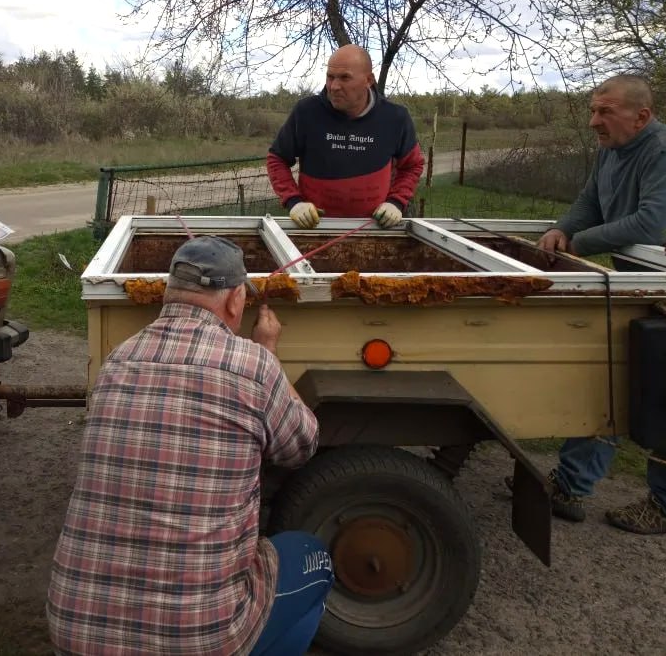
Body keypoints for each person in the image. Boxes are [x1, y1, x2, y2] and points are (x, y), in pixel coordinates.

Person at [47, 235, 334, 655]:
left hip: (75, 631)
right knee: (312, 555)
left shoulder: (118, 360)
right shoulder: (252, 365)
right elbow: (301, 446)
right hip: (199, 640)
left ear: (169, 293)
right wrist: (269, 354)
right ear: (236, 301)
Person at [532, 74, 666, 535]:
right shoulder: (611, 152)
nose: (593, 121)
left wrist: (579, 241)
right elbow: (590, 203)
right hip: (639, 283)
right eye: (592, 110)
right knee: (609, 378)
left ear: (641, 115)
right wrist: (562, 229)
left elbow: (651, 223)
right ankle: (570, 485)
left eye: (605, 111)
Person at [268, 43, 425, 228]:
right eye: (330, 77)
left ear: (369, 80)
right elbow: (276, 159)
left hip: (373, 230)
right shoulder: (306, 112)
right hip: (314, 229)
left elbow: (413, 165)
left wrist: (396, 201)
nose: (334, 86)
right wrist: (294, 201)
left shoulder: (395, 117)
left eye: (345, 78)